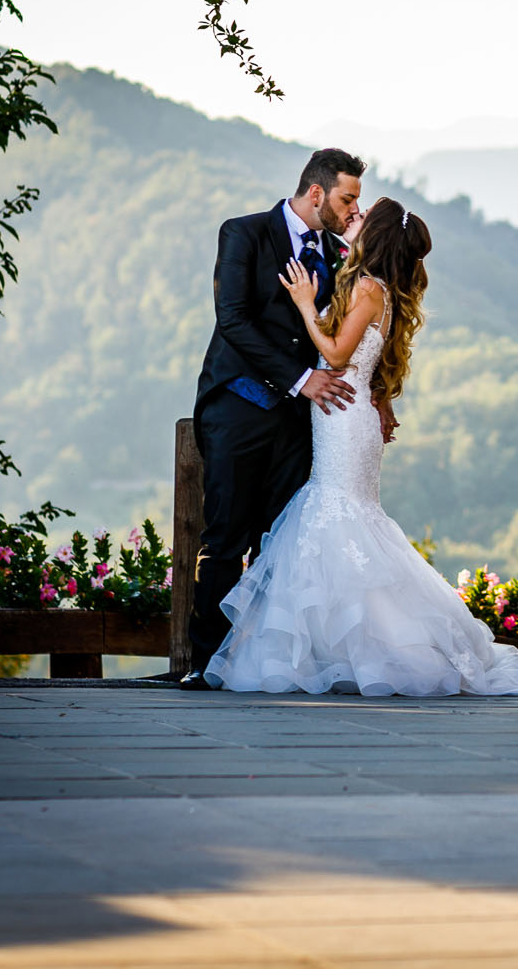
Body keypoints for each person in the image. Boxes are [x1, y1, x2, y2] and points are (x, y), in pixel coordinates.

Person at [203, 196, 518, 697]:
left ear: (379, 236)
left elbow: (334, 352)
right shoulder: (370, 284)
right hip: (345, 415)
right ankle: (345, 648)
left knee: (340, 517)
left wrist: (307, 303)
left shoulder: (369, 288)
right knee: (344, 522)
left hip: (343, 418)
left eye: (364, 216)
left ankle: (372, 648)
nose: (354, 217)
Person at [181, 149, 370, 690]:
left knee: (282, 539)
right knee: (225, 535)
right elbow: (233, 320)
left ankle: (262, 659)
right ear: (316, 193)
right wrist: (300, 378)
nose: (353, 208)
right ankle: (206, 663)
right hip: (237, 408)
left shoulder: (339, 254)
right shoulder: (243, 233)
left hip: (299, 421)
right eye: (347, 198)